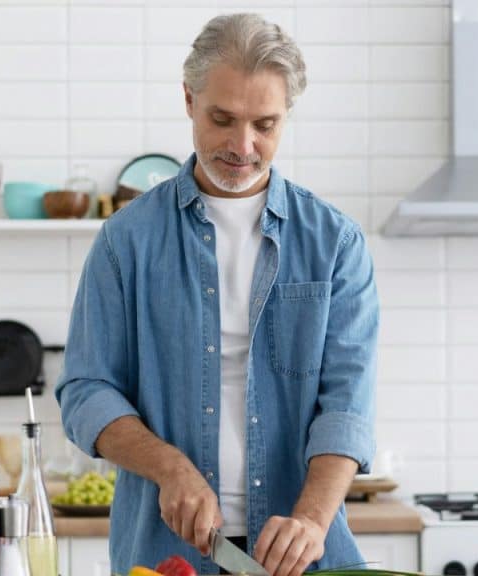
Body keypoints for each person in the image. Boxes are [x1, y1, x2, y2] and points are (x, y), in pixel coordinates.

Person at [56, 13, 379, 576]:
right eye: (223, 119)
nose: (243, 145)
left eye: (266, 124)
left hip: (301, 558)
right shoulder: (125, 241)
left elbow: (346, 405)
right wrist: (168, 466)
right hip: (165, 554)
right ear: (188, 99)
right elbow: (85, 390)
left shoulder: (335, 244)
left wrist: (309, 520)